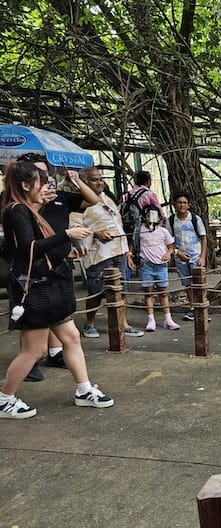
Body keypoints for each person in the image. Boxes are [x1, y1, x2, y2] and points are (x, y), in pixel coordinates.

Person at [0, 159, 114, 419]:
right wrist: (67, 234)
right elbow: (28, 249)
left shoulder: (35, 208)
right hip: (34, 287)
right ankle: (5, 398)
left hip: (51, 282)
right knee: (35, 350)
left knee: (71, 338)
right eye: (41, 183)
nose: (46, 187)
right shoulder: (16, 210)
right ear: (26, 185)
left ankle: (84, 390)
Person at [23, 153, 102, 381]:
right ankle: (25, 368)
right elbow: (26, 240)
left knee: (64, 318)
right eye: (35, 173)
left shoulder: (60, 197)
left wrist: (76, 180)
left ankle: (63, 361)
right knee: (32, 322)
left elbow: (92, 200)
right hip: (34, 270)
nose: (42, 178)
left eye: (44, 173)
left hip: (61, 265)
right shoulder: (20, 204)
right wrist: (35, 202)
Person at [78, 167, 143, 338]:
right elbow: (73, 229)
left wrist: (127, 251)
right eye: (94, 179)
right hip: (98, 254)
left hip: (119, 251)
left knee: (121, 290)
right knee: (97, 291)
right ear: (84, 182)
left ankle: (124, 323)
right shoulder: (78, 202)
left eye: (100, 179)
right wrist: (96, 234)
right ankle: (89, 323)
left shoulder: (108, 199)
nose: (99, 182)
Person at [167, 191, 207, 322]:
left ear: (188, 205)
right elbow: (168, 241)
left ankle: (201, 308)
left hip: (195, 256)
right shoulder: (171, 221)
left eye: (184, 203)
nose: (182, 205)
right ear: (174, 204)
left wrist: (202, 256)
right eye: (179, 202)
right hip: (181, 258)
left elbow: (203, 237)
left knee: (199, 283)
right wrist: (177, 253)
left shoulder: (195, 219)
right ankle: (192, 308)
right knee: (187, 284)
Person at [138, 206, 180, 331]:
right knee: (148, 292)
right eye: (148, 215)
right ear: (144, 217)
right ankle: (151, 319)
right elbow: (133, 245)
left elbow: (171, 246)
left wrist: (168, 253)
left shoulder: (163, 231)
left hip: (161, 265)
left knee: (163, 292)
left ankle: (168, 319)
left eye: (154, 216)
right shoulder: (139, 231)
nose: (151, 219)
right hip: (146, 265)